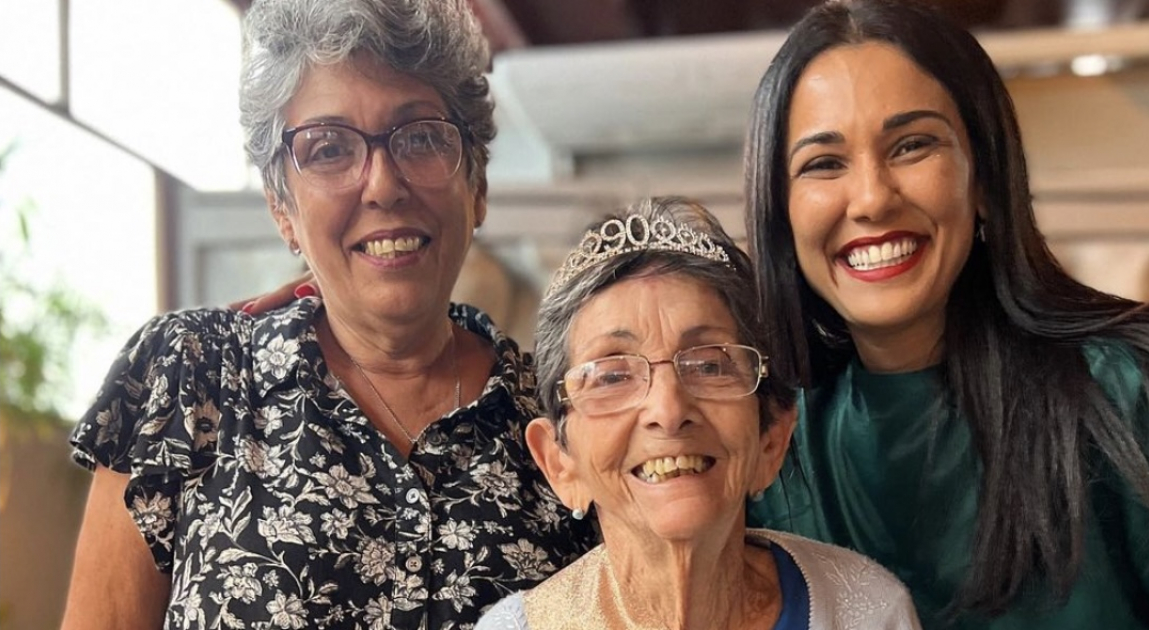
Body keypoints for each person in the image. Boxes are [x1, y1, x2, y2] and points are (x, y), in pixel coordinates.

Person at [60, 1, 594, 628]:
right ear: (281, 207)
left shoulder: (566, 420)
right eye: (328, 149)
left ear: (476, 185)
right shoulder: (191, 378)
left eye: (420, 136)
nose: (381, 184)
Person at [743, 1, 1149, 629]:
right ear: (780, 213)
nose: (872, 198)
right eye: (824, 163)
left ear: (983, 177)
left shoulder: (1136, 389)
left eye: (912, 145)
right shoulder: (768, 445)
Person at [476, 197, 921, 629]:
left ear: (772, 439)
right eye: (612, 376)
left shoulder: (867, 611)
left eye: (709, 365)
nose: (668, 411)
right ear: (559, 463)